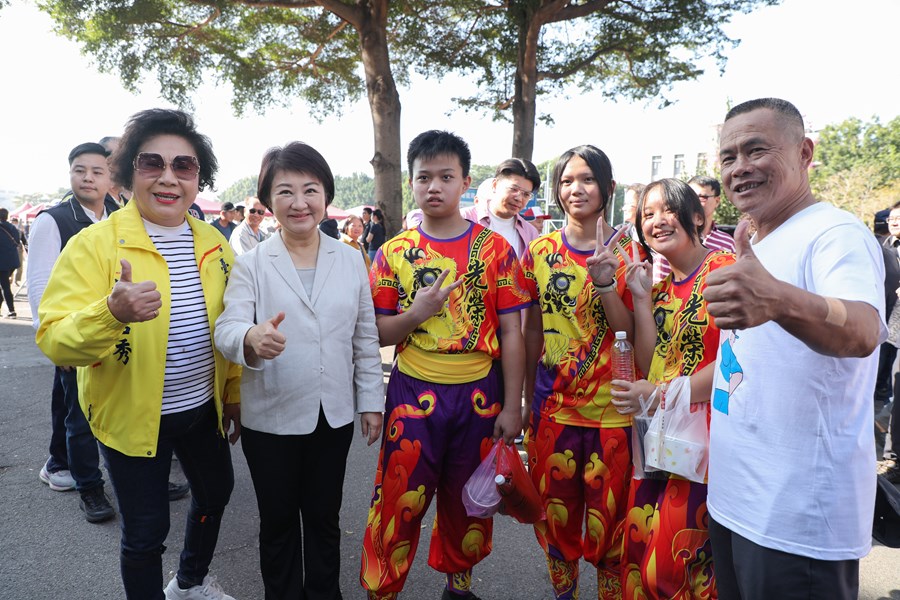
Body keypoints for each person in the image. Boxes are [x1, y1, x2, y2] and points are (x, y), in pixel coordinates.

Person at [35, 109, 241, 600]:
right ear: (128, 173)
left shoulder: (216, 244)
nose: (169, 177)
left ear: (197, 179)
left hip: (201, 411)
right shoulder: (94, 245)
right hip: (130, 420)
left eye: (184, 166)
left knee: (215, 495)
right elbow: (54, 339)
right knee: (146, 534)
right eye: (153, 163)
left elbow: (228, 327)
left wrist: (232, 394)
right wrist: (110, 312)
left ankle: (189, 581)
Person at [703, 98, 886, 599]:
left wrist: (779, 300)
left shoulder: (835, 233)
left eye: (756, 149)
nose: (739, 167)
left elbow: (865, 330)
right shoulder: (755, 239)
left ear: (804, 152)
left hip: (796, 522)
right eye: (727, 157)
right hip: (735, 503)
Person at [360, 130, 529, 600]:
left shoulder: (497, 252)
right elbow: (379, 332)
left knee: (468, 498)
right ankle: (382, 588)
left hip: (479, 395)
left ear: (466, 183)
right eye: (424, 177)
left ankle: (460, 586)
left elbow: (513, 333)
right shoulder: (393, 253)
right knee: (398, 498)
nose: (434, 186)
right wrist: (417, 313)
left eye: (446, 177)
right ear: (411, 184)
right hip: (413, 393)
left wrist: (512, 406)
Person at [215, 141, 384, 599]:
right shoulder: (251, 264)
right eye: (285, 191)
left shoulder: (350, 258)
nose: (299, 202)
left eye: (310, 190)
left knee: (325, 517)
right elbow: (227, 326)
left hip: (333, 416)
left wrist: (370, 401)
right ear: (269, 201)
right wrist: (249, 337)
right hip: (271, 416)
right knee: (278, 521)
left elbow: (364, 337)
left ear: (325, 196)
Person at [520, 144, 641, 599]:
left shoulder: (633, 252)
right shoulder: (540, 251)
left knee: (612, 530)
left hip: (613, 416)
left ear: (608, 188)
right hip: (553, 413)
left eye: (587, 179)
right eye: (567, 180)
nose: (577, 189)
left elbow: (630, 330)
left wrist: (607, 281)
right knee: (556, 525)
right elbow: (531, 331)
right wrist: (525, 401)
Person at [606, 178, 735, 599]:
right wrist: (641, 302)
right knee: (638, 553)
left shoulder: (725, 271)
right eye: (647, 214)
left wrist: (661, 395)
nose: (656, 221)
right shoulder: (658, 291)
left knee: (674, 563)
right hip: (661, 439)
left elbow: (739, 360)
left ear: (697, 217)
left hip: (710, 446)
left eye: (667, 210)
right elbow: (649, 364)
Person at [27, 142, 120, 522]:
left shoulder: (119, 216)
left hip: (117, 331)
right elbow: (39, 285)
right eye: (80, 170)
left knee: (121, 411)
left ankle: (138, 476)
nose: (88, 178)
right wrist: (55, 343)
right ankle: (89, 487)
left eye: (97, 172)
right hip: (77, 335)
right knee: (80, 416)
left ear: (111, 177)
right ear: (70, 174)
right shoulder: (54, 219)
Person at [653, 176, 735, 282]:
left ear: (717, 201)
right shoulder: (671, 238)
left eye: (702, 197)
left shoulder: (727, 243)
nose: (695, 202)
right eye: (690, 197)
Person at [461, 158, 542, 258]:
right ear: (495, 185)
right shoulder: (463, 218)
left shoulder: (530, 233)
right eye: (513, 189)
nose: (519, 198)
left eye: (526, 194)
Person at [877, 201, 900, 483]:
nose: (894, 221)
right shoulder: (881, 248)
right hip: (882, 330)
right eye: (892, 217)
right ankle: (891, 459)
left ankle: (892, 458)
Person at [0, 208, 20, 318]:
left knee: (5, 286)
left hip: (2, 262)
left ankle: (12, 311)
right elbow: (17, 241)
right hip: (12, 261)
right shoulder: (12, 227)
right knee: (4, 285)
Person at [9, 215, 26, 287]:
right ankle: (10, 279)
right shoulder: (7, 230)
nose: (14, 223)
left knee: (19, 266)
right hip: (10, 249)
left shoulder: (20, 231)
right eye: (13, 222)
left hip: (18, 249)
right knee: (10, 265)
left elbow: (24, 241)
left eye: (15, 222)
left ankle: (17, 279)